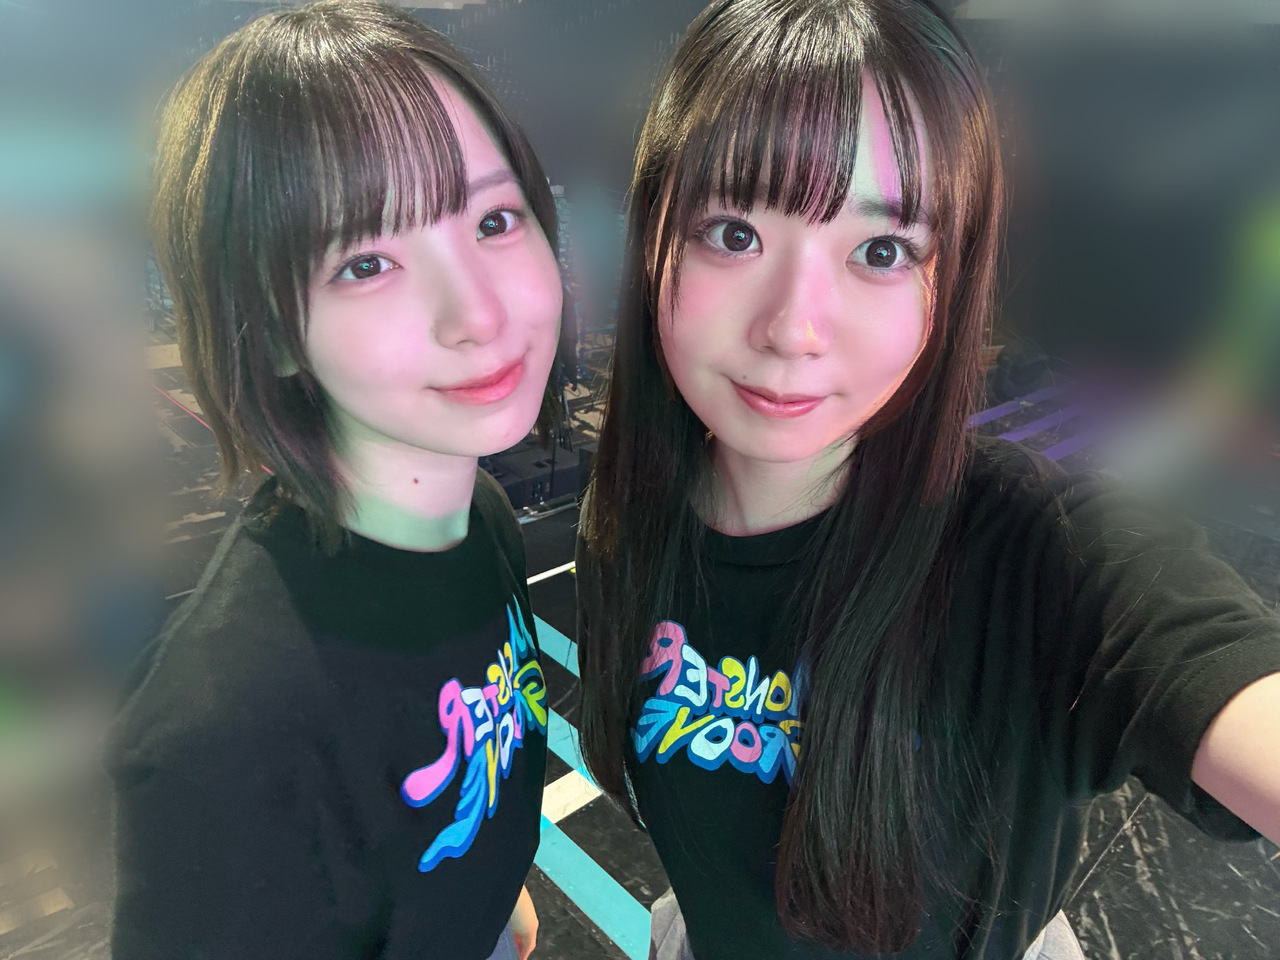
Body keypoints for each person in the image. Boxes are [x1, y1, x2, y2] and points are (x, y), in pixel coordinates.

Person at [574, 1, 1280, 958]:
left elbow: (1208, 665)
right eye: (733, 233)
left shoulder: (1045, 559)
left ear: (947, 284)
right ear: (655, 236)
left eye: (881, 251)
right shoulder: (629, 517)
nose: (793, 329)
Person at [108, 3, 562, 957]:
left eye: (493, 219)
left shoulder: (477, 518)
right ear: (268, 332)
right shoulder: (223, 741)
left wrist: (489, 894)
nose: (478, 314)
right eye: (367, 262)